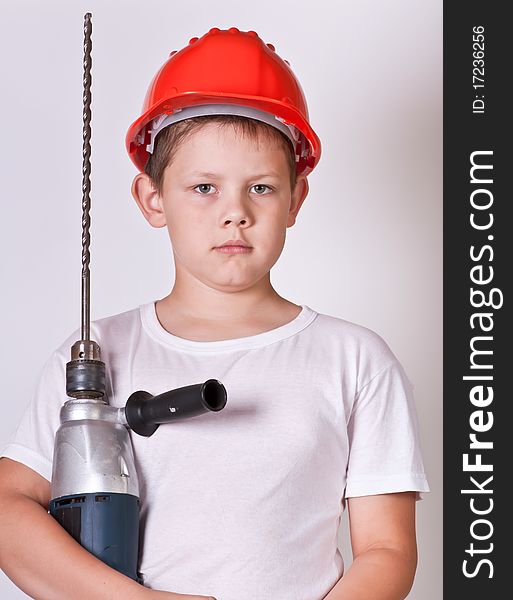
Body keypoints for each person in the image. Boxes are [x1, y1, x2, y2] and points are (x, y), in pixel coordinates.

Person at [0, 27, 429, 600]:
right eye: (204, 186)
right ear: (153, 199)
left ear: (296, 199)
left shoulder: (353, 358)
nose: (235, 213)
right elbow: (8, 512)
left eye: (262, 188)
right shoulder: (96, 352)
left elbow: (387, 550)